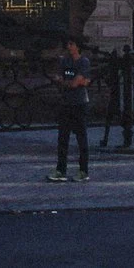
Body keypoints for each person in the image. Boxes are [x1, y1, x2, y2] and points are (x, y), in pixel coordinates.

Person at [48, 39, 91, 182]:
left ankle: (83, 170)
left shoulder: (83, 62)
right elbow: (61, 79)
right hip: (66, 103)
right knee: (62, 138)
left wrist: (69, 82)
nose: (69, 47)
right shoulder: (64, 61)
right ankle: (61, 170)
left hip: (79, 103)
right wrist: (75, 82)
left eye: (72, 44)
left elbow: (75, 83)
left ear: (78, 47)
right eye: (68, 44)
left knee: (81, 138)